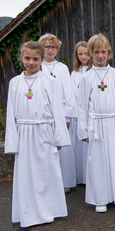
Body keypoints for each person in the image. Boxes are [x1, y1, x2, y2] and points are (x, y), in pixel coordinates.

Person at [4, 41, 70, 227]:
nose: (31, 62)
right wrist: (13, 141)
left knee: (46, 172)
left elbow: (57, 109)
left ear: (42, 59)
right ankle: (28, 212)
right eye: (27, 58)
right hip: (24, 133)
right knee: (26, 174)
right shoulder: (15, 82)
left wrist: (59, 137)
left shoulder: (49, 81)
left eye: (35, 59)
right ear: (21, 59)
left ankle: (49, 210)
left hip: (44, 132)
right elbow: (11, 114)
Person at [76, 33, 115, 213]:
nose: (100, 56)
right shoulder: (86, 77)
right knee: (98, 162)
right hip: (96, 126)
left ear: (108, 52)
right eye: (96, 52)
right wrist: (83, 131)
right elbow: (82, 106)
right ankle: (100, 198)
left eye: (103, 51)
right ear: (91, 54)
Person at [38, 33, 77, 193]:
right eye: (46, 47)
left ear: (57, 49)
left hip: (61, 112)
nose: (50, 50)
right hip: (44, 113)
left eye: (53, 47)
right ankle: (47, 181)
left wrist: (67, 116)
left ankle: (65, 181)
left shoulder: (62, 68)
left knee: (63, 148)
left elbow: (69, 93)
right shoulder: (38, 66)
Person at [71, 41, 89, 185]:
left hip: (91, 114)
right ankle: (81, 177)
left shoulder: (93, 71)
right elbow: (72, 94)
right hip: (78, 114)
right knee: (80, 148)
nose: (84, 57)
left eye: (86, 53)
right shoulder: (74, 73)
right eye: (80, 54)